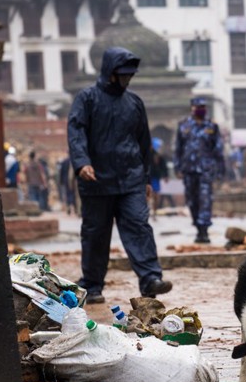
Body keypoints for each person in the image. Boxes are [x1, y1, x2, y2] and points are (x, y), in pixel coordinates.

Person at [67, 46, 172, 304]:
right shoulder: (87, 99)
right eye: (123, 74)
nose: (127, 79)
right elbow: (76, 131)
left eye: (129, 75)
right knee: (95, 234)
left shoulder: (134, 103)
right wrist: (82, 163)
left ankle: (150, 279)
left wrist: (146, 177)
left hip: (130, 179)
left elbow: (143, 142)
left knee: (139, 226)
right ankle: (92, 285)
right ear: (110, 73)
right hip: (96, 180)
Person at [174, 97, 225, 243]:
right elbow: (178, 148)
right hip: (188, 170)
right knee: (192, 201)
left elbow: (218, 150)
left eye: (203, 106)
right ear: (192, 108)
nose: (201, 109)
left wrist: (220, 169)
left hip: (205, 170)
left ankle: (204, 230)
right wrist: (178, 167)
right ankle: (197, 226)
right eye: (198, 106)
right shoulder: (183, 126)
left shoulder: (212, 126)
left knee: (205, 200)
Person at [149, 137, 169, 220]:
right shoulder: (147, 154)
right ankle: (148, 212)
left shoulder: (159, 156)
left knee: (156, 195)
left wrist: (165, 175)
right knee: (148, 195)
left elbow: (163, 166)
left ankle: (154, 212)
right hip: (147, 178)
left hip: (155, 178)